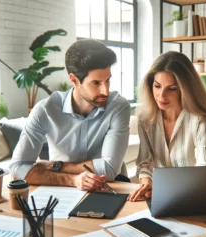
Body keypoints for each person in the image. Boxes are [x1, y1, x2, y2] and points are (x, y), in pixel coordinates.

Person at [10, 39, 131, 192]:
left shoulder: (118, 107)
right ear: (74, 80)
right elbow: (17, 168)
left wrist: (54, 166)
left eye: (107, 81)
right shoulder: (45, 111)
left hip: (106, 187)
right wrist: (72, 180)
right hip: (60, 188)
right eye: (96, 83)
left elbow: (109, 169)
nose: (105, 91)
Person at [128, 51, 206, 201]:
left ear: (185, 89)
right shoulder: (145, 119)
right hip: (158, 198)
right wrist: (146, 182)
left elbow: (204, 167)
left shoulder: (200, 120)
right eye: (157, 86)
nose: (161, 95)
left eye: (171, 88)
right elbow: (144, 162)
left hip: (193, 198)